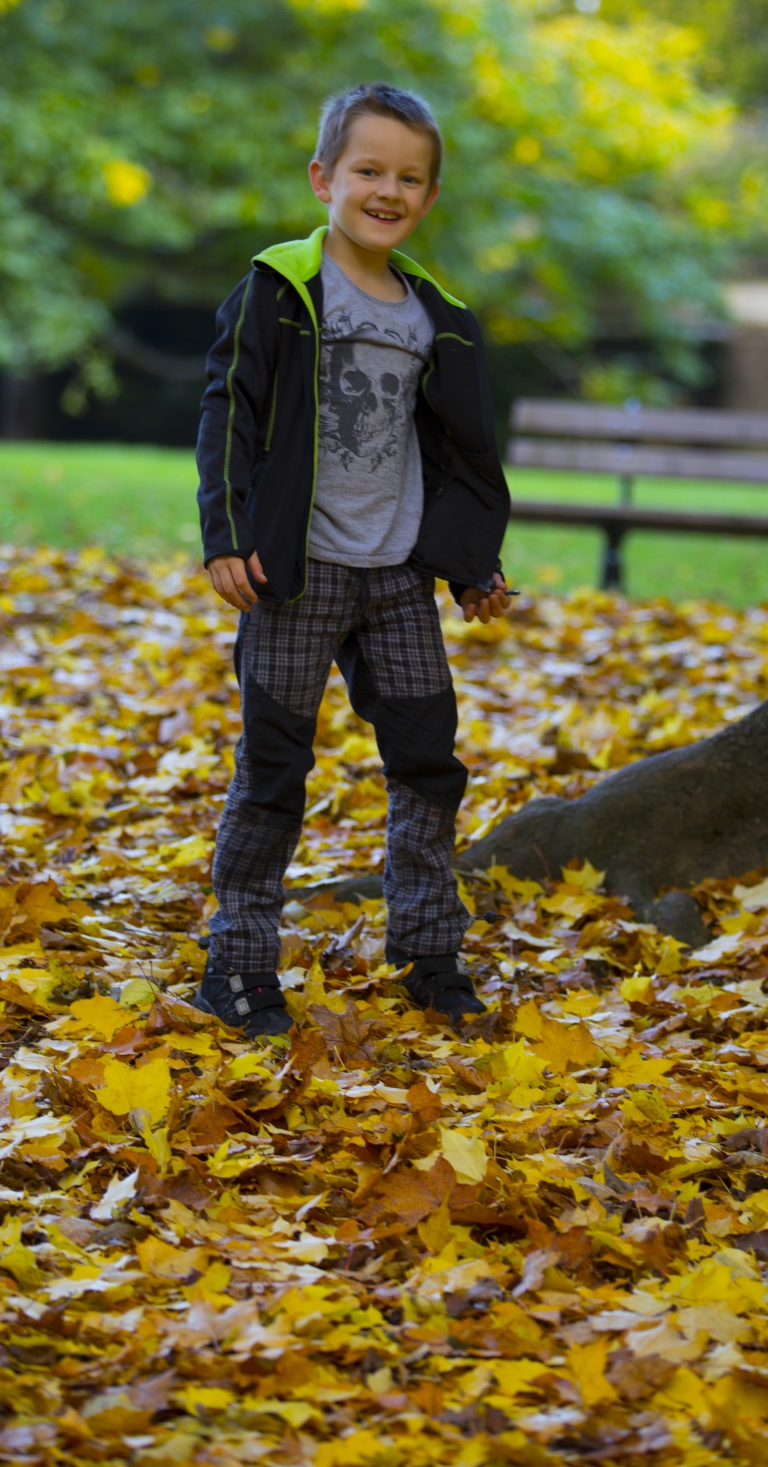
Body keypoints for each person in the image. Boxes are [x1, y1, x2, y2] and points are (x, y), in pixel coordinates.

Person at [193, 82, 512, 1039]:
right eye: (368, 170)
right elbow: (228, 415)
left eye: (409, 178)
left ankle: (426, 952)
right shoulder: (279, 288)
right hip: (296, 575)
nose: (388, 190)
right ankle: (239, 964)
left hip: (397, 582)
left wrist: (471, 566)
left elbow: (456, 452)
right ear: (324, 177)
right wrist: (224, 536)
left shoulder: (435, 315)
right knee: (273, 769)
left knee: (427, 765)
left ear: (429, 197)